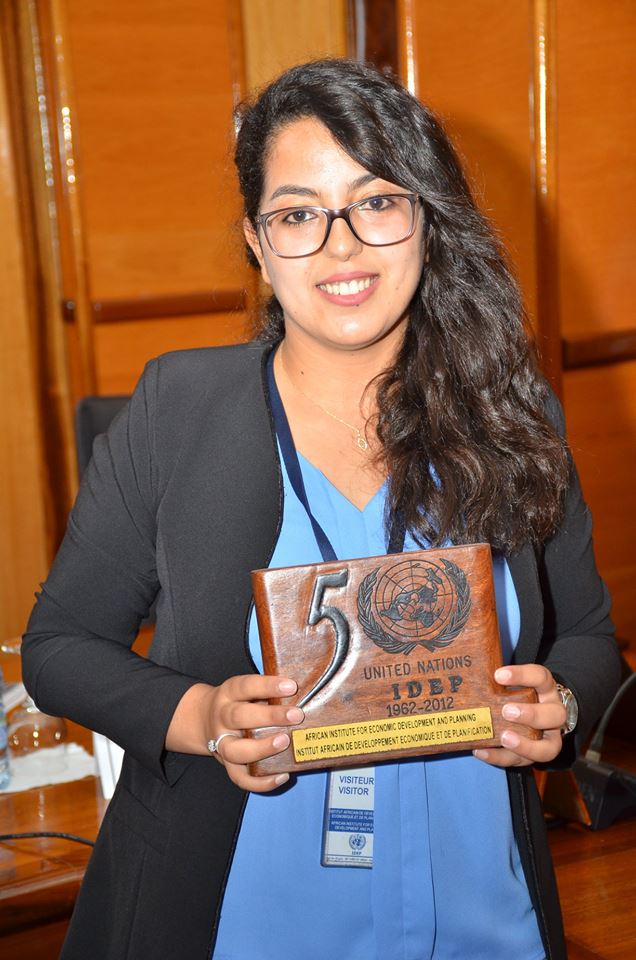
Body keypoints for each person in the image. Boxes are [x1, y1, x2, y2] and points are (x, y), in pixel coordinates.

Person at [22, 58, 620, 960]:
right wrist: (206, 717)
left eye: (377, 202)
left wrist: (561, 706)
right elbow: (58, 647)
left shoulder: (512, 413)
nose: (342, 247)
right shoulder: (179, 409)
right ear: (259, 246)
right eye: (299, 214)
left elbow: (588, 639)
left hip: (481, 917)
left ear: (426, 219)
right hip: (246, 921)